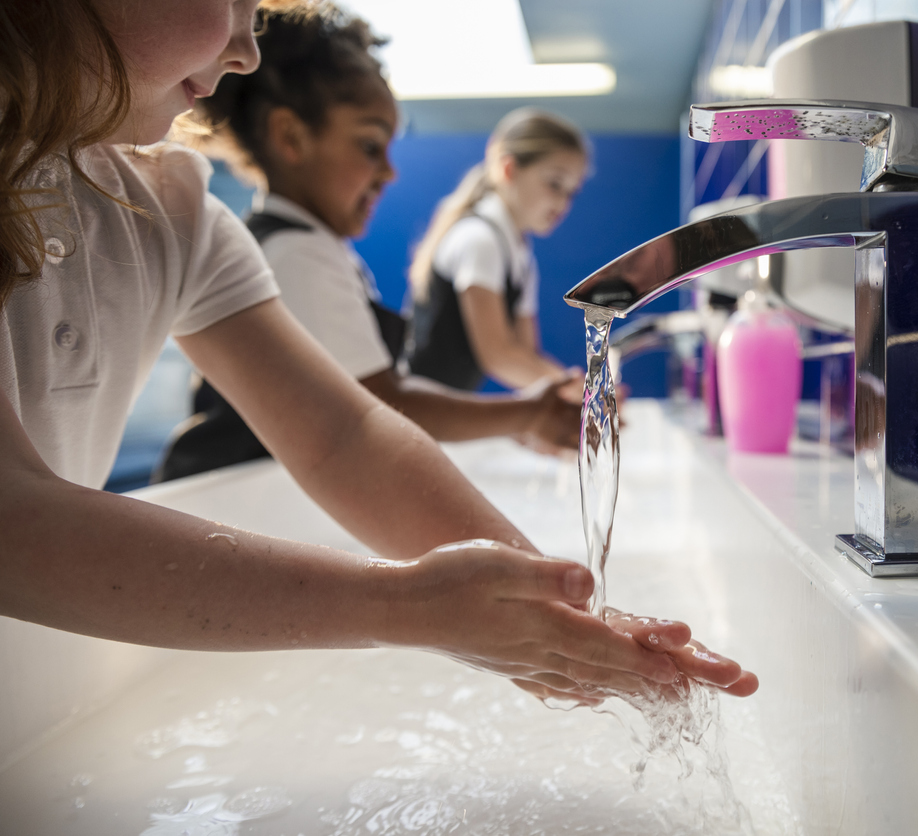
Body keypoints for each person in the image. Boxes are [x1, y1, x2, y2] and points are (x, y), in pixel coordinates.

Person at [0, 0, 757, 706]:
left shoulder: (174, 206)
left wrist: (548, 603)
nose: (244, 49)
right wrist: (406, 605)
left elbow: (346, 434)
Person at [152, 6, 580, 482]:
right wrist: (525, 414)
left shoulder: (311, 245)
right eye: (370, 147)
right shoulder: (296, 254)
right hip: (229, 497)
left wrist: (524, 417)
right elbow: (382, 405)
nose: (389, 172)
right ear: (290, 136)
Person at [405, 108, 586, 395]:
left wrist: (564, 400)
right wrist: (583, 391)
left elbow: (526, 357)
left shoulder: (520, 254)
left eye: (572, 192)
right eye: (555, 184)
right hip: (415, 412)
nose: (563, 203)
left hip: (449, 413)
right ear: (508, 169)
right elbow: (499, 356)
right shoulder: (479, 240)